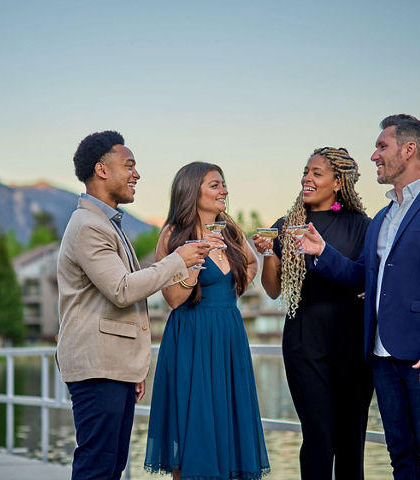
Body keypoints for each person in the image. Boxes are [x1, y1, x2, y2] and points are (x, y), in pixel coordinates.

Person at [301, 115, 420, 480]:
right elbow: (359, 275)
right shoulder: (382, 217)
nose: (374, 156)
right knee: (401, 456)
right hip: (382, 356)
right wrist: (322, 251)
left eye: (382, 146)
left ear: (409, 149)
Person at [56, 131, 210, 480]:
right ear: (101, 170)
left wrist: (132, 368)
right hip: (98, 368)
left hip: (114, 368)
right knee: (97, 467)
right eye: (129, 166)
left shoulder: (107, 222)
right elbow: (122, 290)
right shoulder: (88, 225)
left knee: (110, 466)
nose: (136, 174)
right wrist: (178, 260)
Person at [252, 147, 373, 479]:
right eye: (306, 172)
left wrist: (323, 251)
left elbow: (363, 276)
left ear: (337, 182)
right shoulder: (287, 225)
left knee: (351, 441)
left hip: (352, 340)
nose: (307, 178)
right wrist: (269, 254)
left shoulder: (363, 226)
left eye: (316, 173)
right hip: (304, 340)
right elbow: (274, 289)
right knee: (318, 436)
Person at [144, 162, 270, 480]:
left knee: (230, 420)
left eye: (223, 184)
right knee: (192, 426)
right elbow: (173, 299)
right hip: (191, 337)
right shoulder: (173, 234)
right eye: (215, 185)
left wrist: (233, 290)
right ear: (191, 190)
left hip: (229, 334)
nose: (223, 190)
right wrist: (196, 261)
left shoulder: (231, 231)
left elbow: (251, 264)